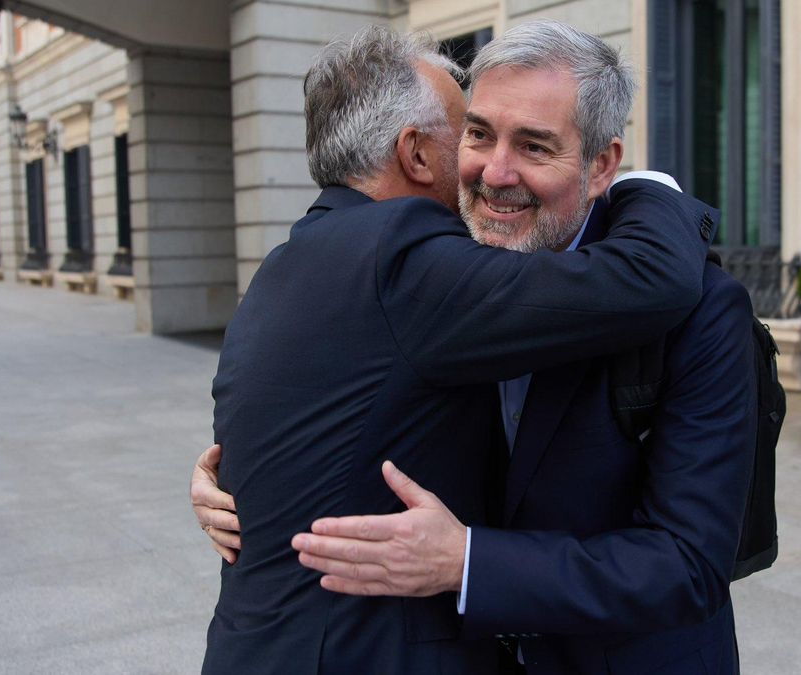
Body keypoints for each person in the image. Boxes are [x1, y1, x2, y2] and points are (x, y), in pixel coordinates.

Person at [195, 21, 757, 675]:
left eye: (535, 146)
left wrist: (468, 562)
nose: (494, 172)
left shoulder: (703, 309)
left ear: (601, 164)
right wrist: (237, 484)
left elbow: (689, 566)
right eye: (478, 133)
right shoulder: (438, 275)